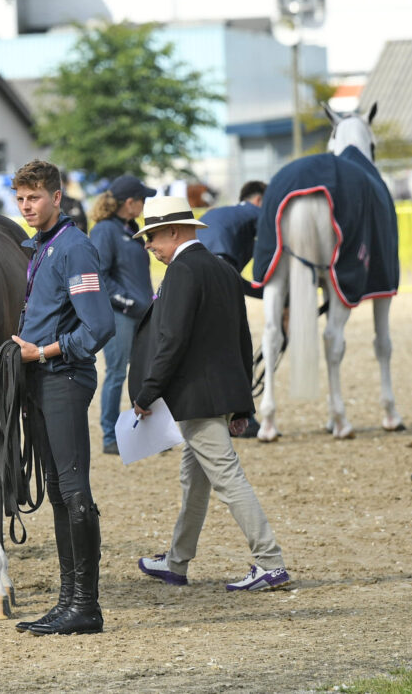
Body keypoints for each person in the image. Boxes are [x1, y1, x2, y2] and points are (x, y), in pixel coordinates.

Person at [0, 160, 113, 636]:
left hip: (65, 379)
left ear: (56, 196)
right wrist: (5, 356)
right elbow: (43, 324)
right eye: (20, 198)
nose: (26, 206)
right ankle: (68, 600)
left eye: (34, 197)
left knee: (73, 491)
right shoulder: (42, 248)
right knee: (56, 489)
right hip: (42, 377)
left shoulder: (74, 248)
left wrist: (43, 351)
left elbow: (99, 327)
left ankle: (86, 606)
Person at [130, 196, 290, 593]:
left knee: (227, 479)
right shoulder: (222, 268)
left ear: (172, 231)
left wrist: (148, 392)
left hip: (195, 398)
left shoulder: (183, 271)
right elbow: (241, 338)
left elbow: (173, 339)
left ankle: (270, 561)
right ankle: (177, 561)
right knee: (195, 481)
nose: (148, 245)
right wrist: (241, 404)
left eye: (152, 236)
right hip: (218, 396)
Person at [88, 174, 156, 455]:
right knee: (116, 373)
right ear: (129, 202)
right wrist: (127, 303)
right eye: (142, 200)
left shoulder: (132, 229)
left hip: (142, 313)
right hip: (121, 314)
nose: (144, 205)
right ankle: (109, 436)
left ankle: (144, 433)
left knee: (145, 372)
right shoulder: (105, 231)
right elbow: (100, 274)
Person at [197, 180, 265, 273]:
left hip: (191, 258)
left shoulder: (219, 211)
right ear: (258, 199)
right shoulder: (255, 211)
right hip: (219, 259)